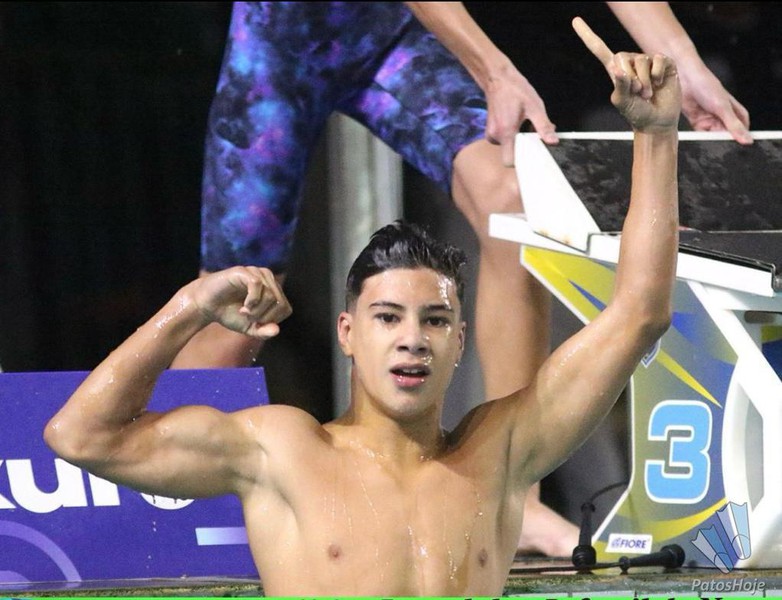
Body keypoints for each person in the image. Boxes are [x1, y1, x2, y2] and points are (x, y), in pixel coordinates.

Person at [44, 16, 682, 595]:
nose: (413, 338)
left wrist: (656, 137)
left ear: (460, 340)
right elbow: (79, 436)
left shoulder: (500, 454)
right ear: (347, 332)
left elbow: (640, 314)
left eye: (435, 320)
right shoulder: (282, 453)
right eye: (388, 318)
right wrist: (189, 306)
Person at [168, 1, 745, 558]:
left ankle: (512, 497)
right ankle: (164, 515)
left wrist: (686, 68)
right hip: (281, 41)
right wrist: (493, 71)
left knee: (512, 199)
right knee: (240, 298)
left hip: (387, 36)